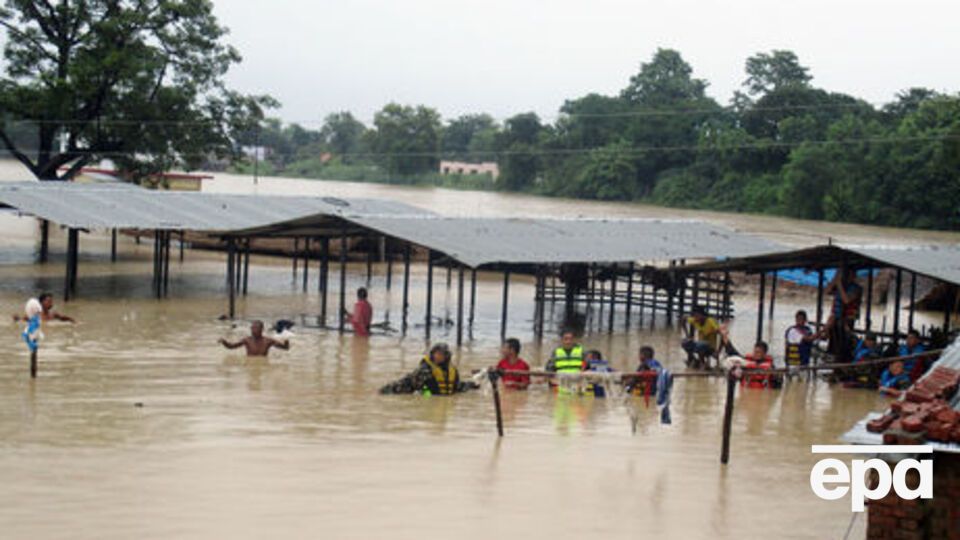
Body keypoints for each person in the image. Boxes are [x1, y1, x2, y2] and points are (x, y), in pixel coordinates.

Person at [380, 343, 477, 395]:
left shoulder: (453, 371)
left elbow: (456, 387)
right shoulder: (424, 370)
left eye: (441, 354)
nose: (438, 356)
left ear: (447, 356)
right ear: (432, 354)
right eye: (436, 354)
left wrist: (471, 385)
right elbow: (409, 383)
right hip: (428, 400)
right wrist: (427, 396)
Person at [824, 267, 862, 362]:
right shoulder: (839, 286)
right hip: (836, 318)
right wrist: (835, 279)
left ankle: (843, 358)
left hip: (848, 319)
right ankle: (832, 355)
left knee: (844, 341)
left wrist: (839, 285)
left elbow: (846, 300)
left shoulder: (856, 288)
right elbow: (826, 292)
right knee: (833, 337)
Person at [219, 320, 290, 357]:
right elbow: (231, 346)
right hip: (250, 364)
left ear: (261, 329)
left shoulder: (268, 341)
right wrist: (224, 342)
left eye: (256, 328)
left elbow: (285, 348)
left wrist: (286, 339)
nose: (253, 330)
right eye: (252, 328)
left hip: (262, 365)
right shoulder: (247, 340)